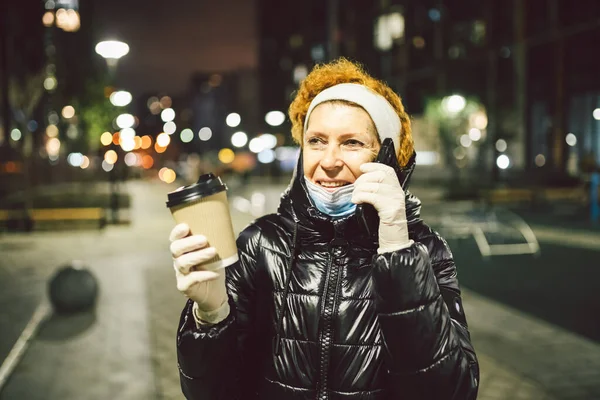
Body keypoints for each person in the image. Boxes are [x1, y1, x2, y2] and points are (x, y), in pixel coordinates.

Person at [169, 58, 479, 399]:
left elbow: (452, 393)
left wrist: (398, 253)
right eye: (316, 141)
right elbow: (212, 392)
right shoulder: (260, 245)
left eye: (352, 143)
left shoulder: (427, 252)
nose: (328, 162)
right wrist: (211, 315)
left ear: (388, 157)